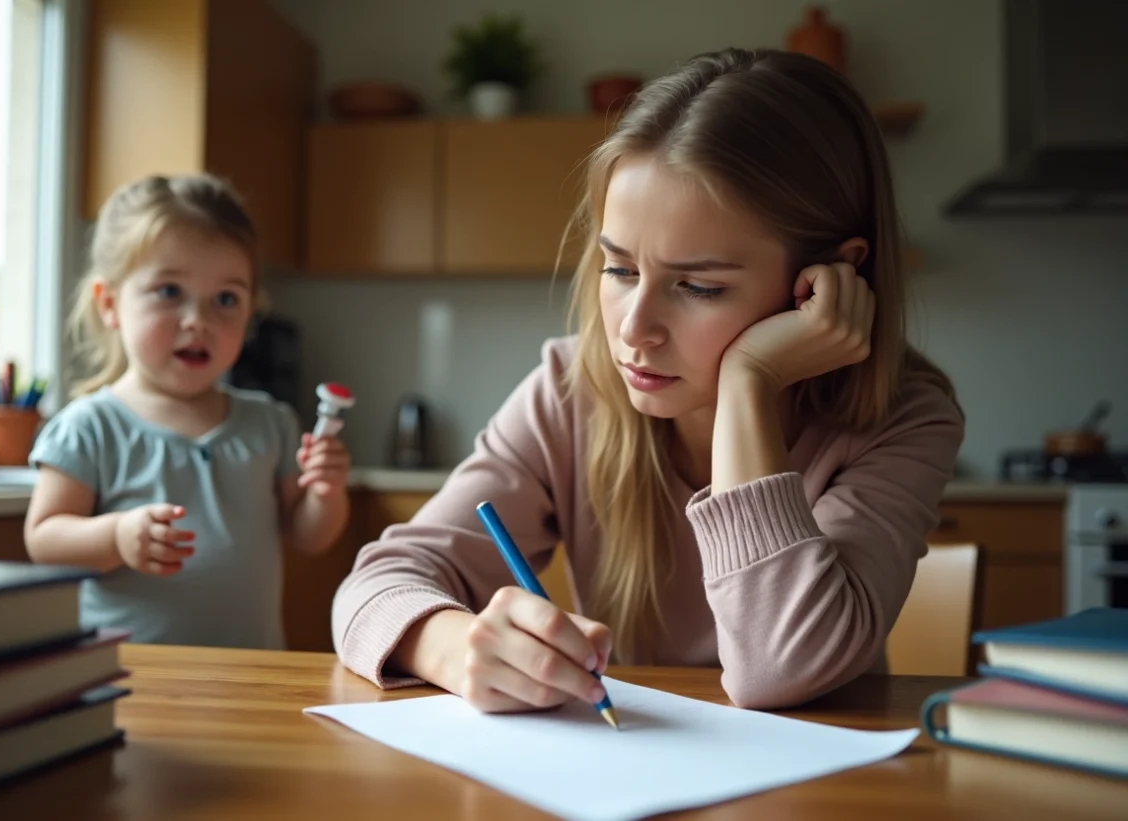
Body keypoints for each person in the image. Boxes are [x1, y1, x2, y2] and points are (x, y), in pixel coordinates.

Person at [331, 47, 964, 710]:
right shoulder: (570, 390)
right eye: (621, 270)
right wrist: (459, 648)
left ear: (828, 280)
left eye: (698, 285)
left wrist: (748, 381)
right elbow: (374, 586)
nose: (633, 328)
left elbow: (783, 666)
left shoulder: (907, 418)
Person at [24, 173, 351, 649]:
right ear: (110, 303)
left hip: (250, 679)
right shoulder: (89, 427)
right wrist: (116, 537)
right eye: (169, 292)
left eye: (226, 299)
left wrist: (327, 493)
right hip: (132, 681)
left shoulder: (270, 423)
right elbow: (44, 540)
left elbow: (309, 536)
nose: (198, 321)